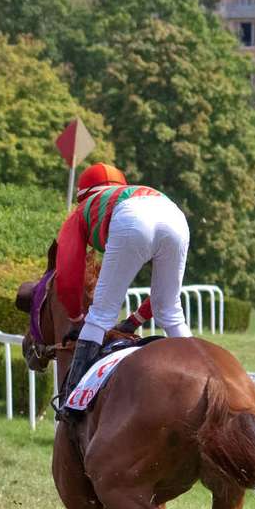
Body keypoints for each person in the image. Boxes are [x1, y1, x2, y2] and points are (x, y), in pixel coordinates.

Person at [52, 161, 192, 421]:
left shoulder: (82, 210)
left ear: (82, 195)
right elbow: (163, 297)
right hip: (175, 215)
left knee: (100, 316)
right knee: (171, 313)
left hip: (131, 218)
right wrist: (135, 319)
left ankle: (72, 403)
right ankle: (197, 370)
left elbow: (68, 275)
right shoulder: (135, 193)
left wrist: (76, 316)